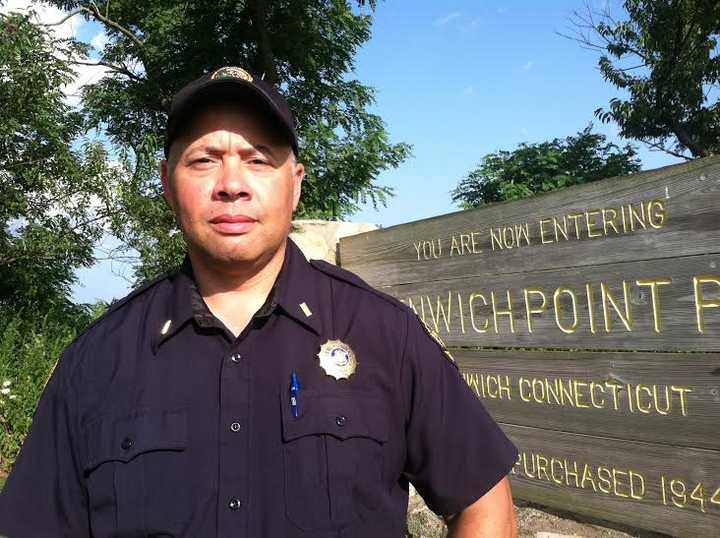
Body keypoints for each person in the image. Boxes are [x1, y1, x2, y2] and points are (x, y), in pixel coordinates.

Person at [0, 66, 518, 538]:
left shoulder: (385, 332)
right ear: (166, 184)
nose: (231, 186)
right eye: (204, 161)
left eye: (258, 160)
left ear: (294, 183)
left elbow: (482, 505)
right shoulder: (97, 358)